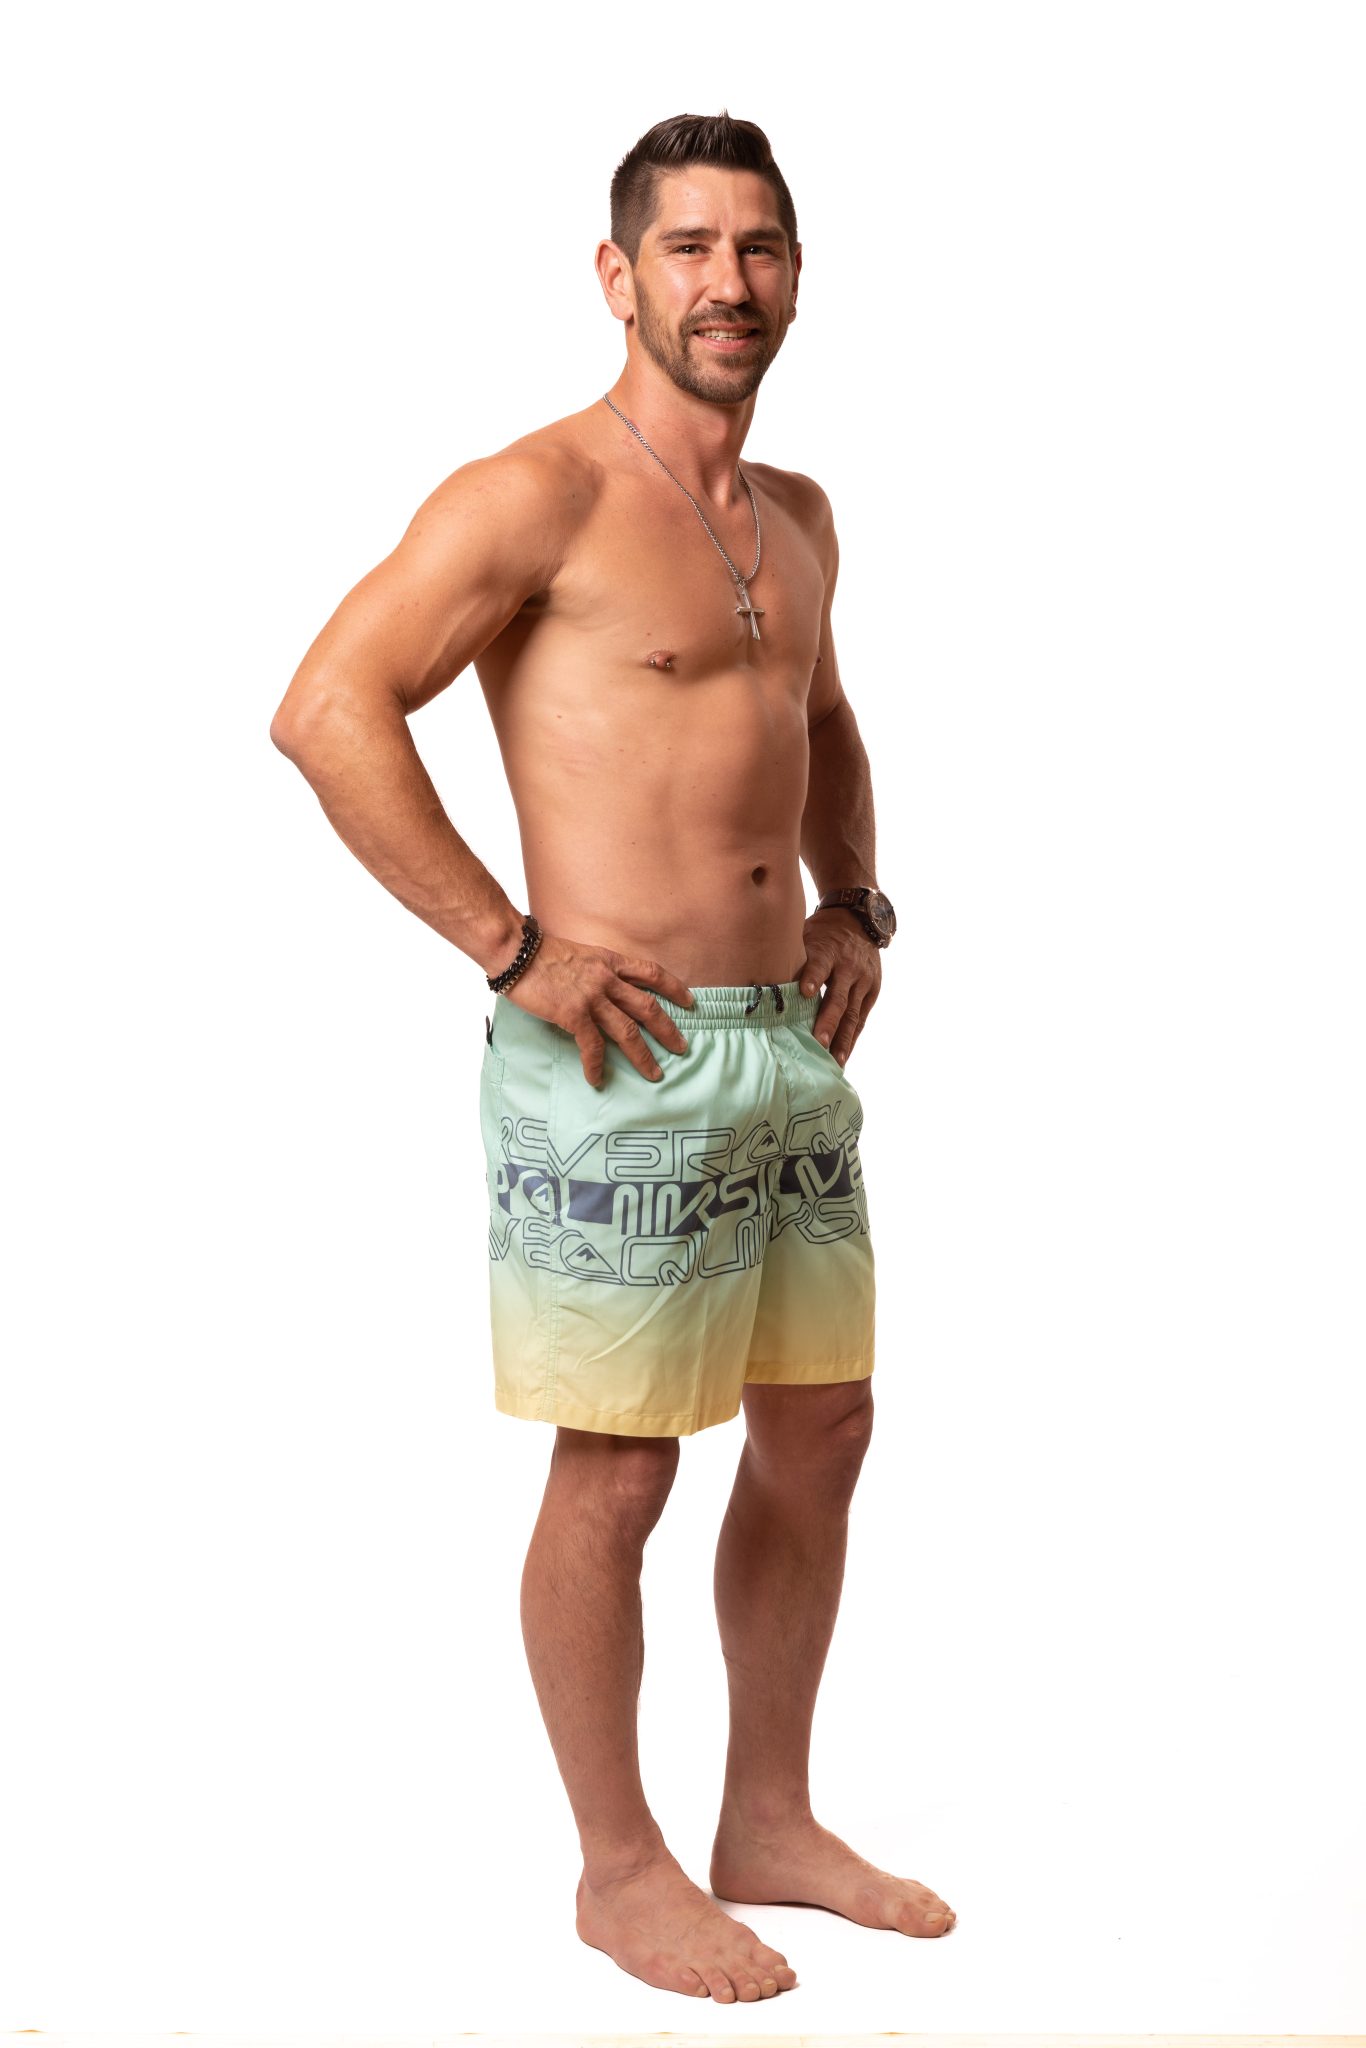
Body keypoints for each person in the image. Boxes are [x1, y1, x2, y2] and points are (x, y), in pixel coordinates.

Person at [269, 109, 955, 2005]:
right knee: (620, 1472)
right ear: (615, 274)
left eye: (759, 248)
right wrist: (512, 947)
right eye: (688, 248)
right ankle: (619, 1866)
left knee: (821, 1428)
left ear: (796, 278)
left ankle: (769, 1818)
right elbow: (326, 708)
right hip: (615, 1056)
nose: (728, 282)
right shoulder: (535, 496)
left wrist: (855, 901)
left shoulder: (798, 515)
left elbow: (823, 721)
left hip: (782, 1043)